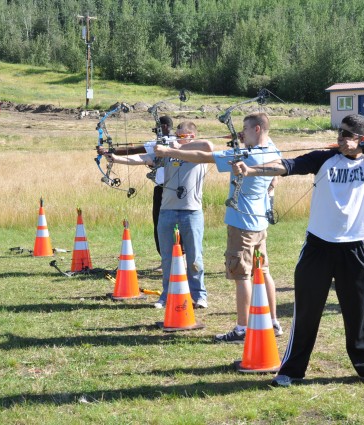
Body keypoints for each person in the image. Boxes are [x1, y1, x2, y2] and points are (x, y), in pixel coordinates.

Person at [232, 114, 364, 387]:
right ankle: (291, 369)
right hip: (318, 247)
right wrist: (252, 170)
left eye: (346, 134)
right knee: (307, 312)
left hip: (353, 249)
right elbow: (287, 165)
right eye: (339, 133)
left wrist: (362, 149)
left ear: (360, 138)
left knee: (358, 312)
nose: (339, 139)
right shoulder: (323, 158)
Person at [155, 112, 283, 342]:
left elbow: (204, 157)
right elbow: (275, 178)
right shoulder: (272, 150)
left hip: (241, 224)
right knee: (263, 271)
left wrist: (169, 152)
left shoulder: (246, 157)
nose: (241, 133)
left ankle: (242, 328)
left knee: (241, 276)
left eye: (245, 128)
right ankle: (273, 322)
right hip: (259, 223)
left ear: (257, 129)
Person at [101, 121, 212, 309]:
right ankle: (166, 295)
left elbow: (208, 146)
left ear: (192, 137)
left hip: (191, 212)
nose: (176, 139)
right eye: (176, 135)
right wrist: (114, 158)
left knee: (194, 258)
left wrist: (174, 148)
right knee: (167, 257)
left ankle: (199, 295)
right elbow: (142, 158)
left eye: (181, 136)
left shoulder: (198, 154)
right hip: (167, 211)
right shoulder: (166, 155)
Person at [107, 115, 174, 271]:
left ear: (163, 127)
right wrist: (112, 152)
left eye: (156, 128)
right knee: (159, 225)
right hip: (160, 188)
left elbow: (137, 150)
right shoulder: (159, 144)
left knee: (169, 224)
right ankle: (166, 260)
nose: (154, 131)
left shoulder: (173, 143)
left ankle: (178, 258)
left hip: (171, 188)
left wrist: (112, 152)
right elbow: (136, 152)